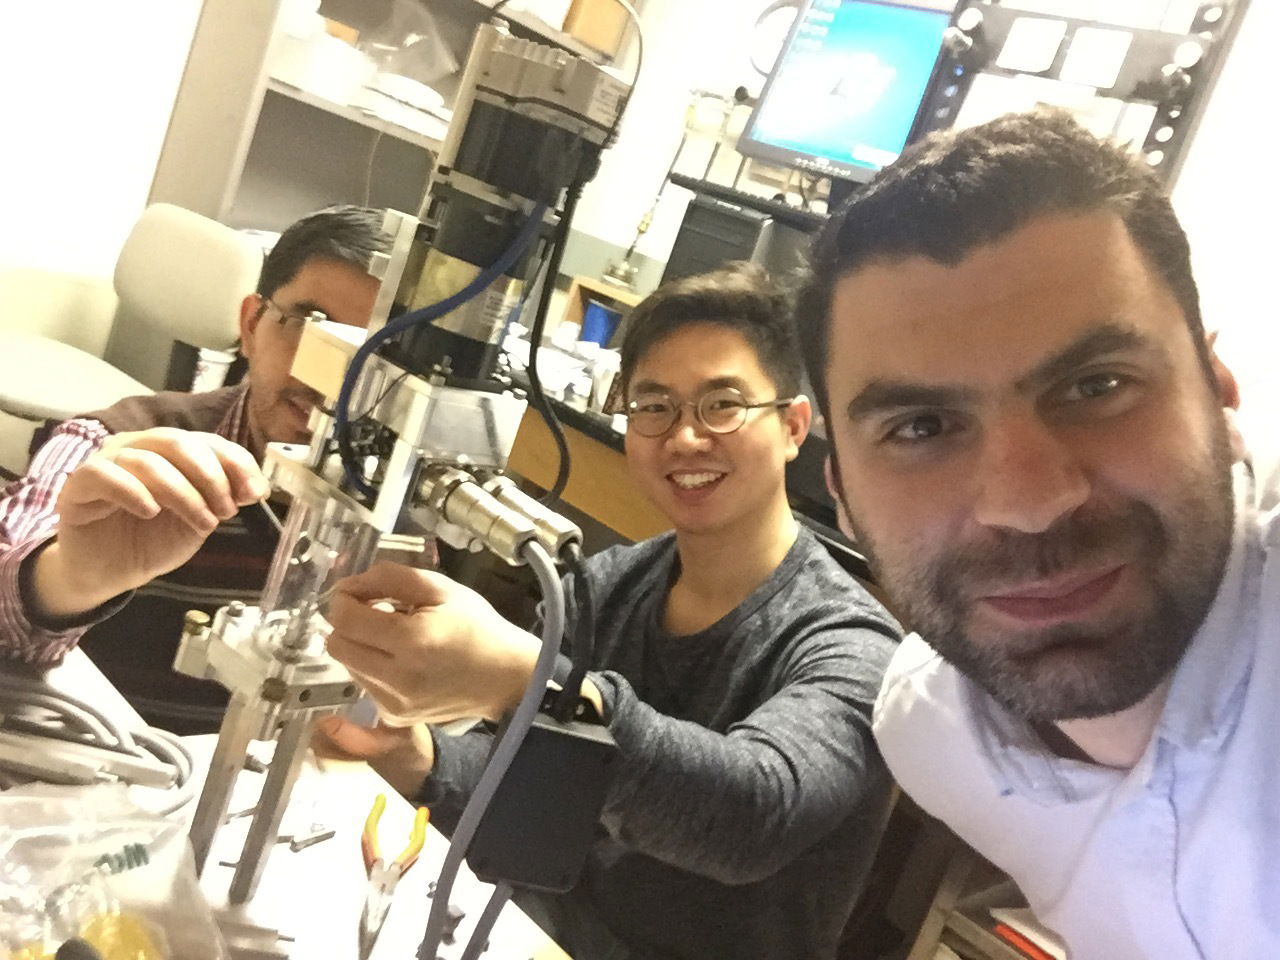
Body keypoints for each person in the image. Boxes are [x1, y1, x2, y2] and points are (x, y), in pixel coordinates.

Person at [795, 109, 1279, 958]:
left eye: (1096, 386)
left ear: (1219, 393)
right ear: (841, 494)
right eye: (920, 427)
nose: (1028, 501)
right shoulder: (929, 735)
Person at [319, 263, 902, 960]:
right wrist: (421, 758)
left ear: (793, 427)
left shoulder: (853, 645)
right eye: (655, 407)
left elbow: (751, 817)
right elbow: (525, 783)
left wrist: (525, 682)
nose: (685, 438)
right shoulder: (606, 585)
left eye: (722, 405)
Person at [0, 205, 386, 732]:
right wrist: (69, 576)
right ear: (251, 324)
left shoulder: (410, 512)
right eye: (311, 326)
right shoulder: (116, 443)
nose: (331, 378)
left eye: (376, 352)